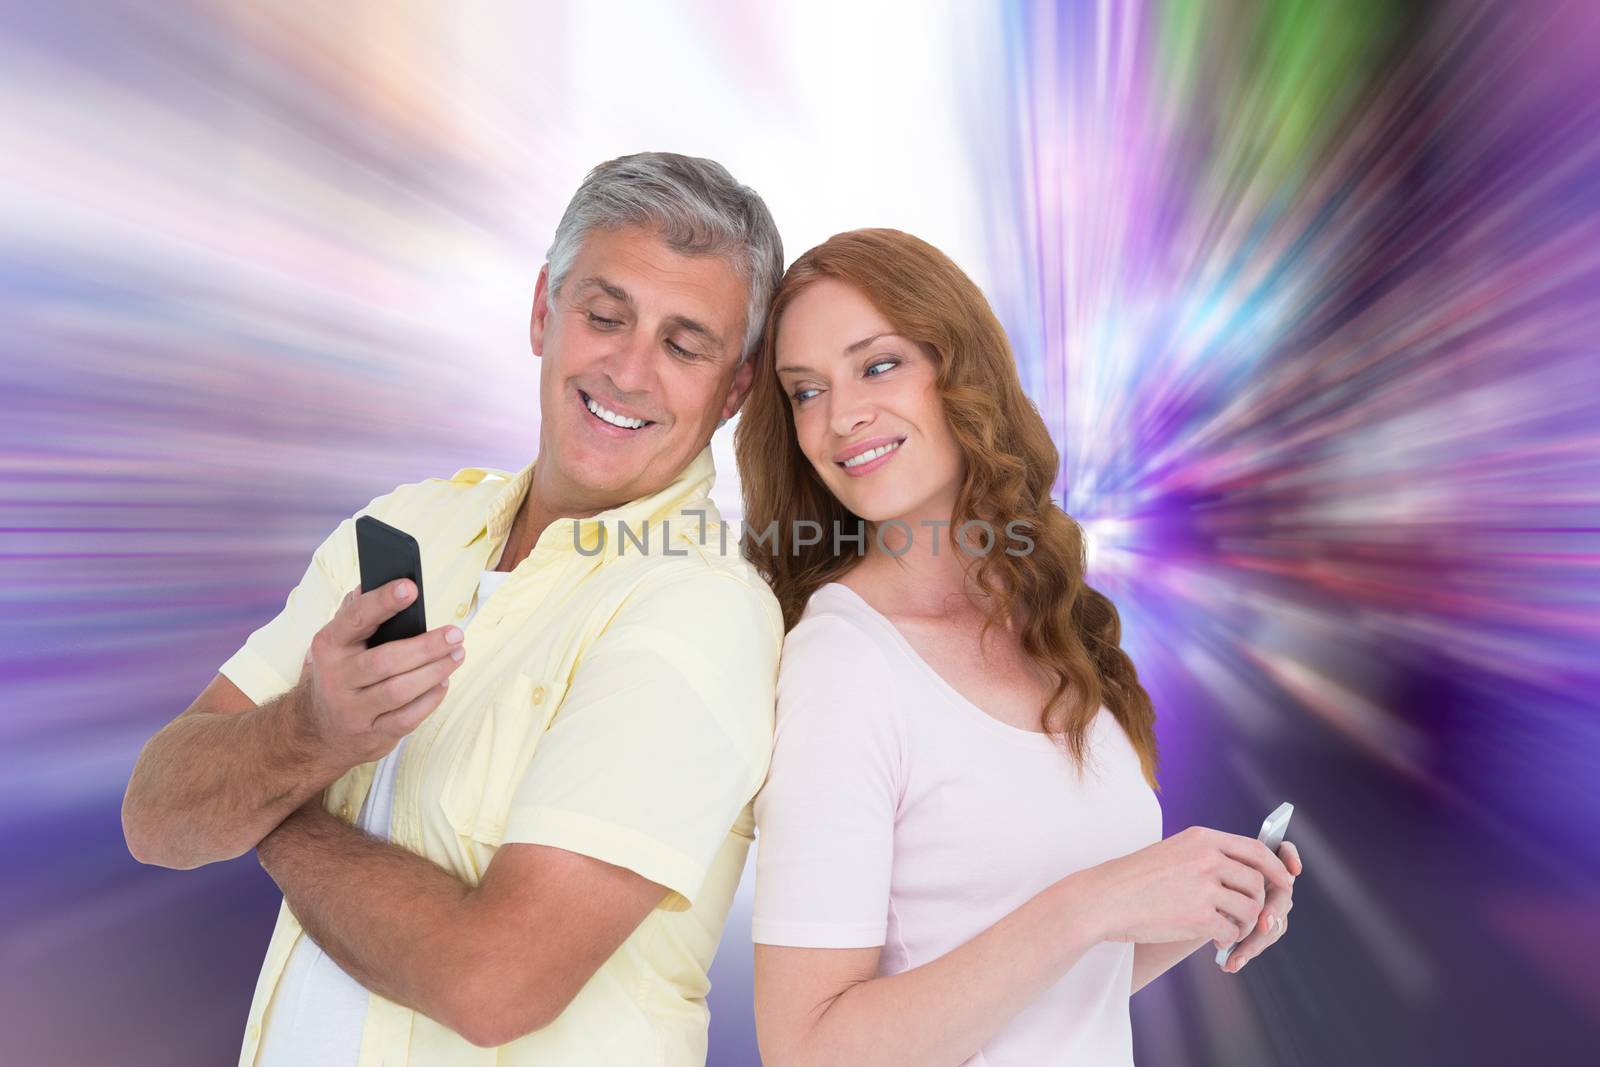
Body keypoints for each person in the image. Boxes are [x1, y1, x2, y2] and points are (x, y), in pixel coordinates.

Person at [121, 152, 786, 1066]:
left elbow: (495, 984)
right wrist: (311, 734)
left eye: (683, 344)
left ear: (734, 390)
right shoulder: (403, 527)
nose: (629, 370)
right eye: (604, 315)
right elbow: (156, 814)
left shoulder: (697, 608)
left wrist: (279, 800)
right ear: (543, 314)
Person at [734, 228, 1305, 1066]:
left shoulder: (1053, 627)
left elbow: (1053, 991)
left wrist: (1200, 906)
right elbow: (809, 1047)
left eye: (878, 364)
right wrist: (1094, 903)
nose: (840, 415)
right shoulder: (844, 665)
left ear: (959, 370)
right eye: (805, 390)